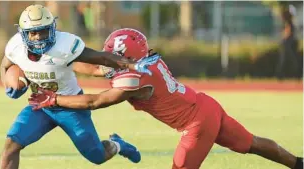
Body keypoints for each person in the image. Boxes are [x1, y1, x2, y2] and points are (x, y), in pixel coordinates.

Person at [29, 28, 303, 169]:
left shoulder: (135, 80)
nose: (112, 58)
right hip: (205, 105)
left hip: (196, 124)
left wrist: (54, 100)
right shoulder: (145, 61)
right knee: (251, 144)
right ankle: (298, 164)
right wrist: (60, 62)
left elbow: (95, 102)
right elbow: (99, 68)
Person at [0, 5, 160, 169]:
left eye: (44, 31)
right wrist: (7, 83)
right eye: (33, 32)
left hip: (70, 106)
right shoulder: (15, 47)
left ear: (52, 28)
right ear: (24, 33)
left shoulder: (65, 44)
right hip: (41, 105)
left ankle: (117, 144)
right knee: (11, 145)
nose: (39, 37)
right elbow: (5, 66)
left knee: (97, 156)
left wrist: (134, 65)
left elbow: (102, 58)